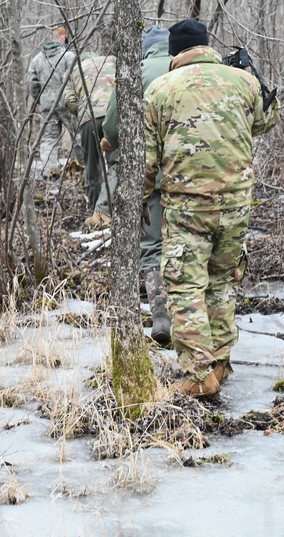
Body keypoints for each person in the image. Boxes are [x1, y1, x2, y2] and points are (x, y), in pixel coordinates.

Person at [144, 18, 280, 398]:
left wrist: (140, 203)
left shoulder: (159, 90)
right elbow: (268, 119)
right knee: (222, 282)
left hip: (187, 208)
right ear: (207, 46)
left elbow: (146, 160)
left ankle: (198, 373)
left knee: (185, 287)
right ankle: (219, 362)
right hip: (236, 206)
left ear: (174, 52)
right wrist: (246, 79)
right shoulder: (243, 82)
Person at [100, 25, 171, 343]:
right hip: (194, 173)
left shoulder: (136, 71)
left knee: (152, 245)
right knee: (191, 246)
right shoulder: (191, 68)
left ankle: (160, 315)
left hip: (148, 173)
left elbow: (112, 127)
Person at [65, 52, 116, 225]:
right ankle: (109, 208)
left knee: (91, 165)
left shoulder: (76, 69)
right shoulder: (112, 61)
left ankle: (94, 208)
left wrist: (82, 112)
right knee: (116, 164)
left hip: (89, 119)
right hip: (112, 115)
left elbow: (69, 98)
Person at [26, 27, 76, 177]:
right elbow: (75, 79)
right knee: (78, 135)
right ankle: (82, 168)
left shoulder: (36, 60)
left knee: (49, 139)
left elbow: (33, 85)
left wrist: (41, 100)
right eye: (65, 39)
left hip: (47, 104)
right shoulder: (68, 56)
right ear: (61, 38)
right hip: (67, 103)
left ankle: (50, 172)